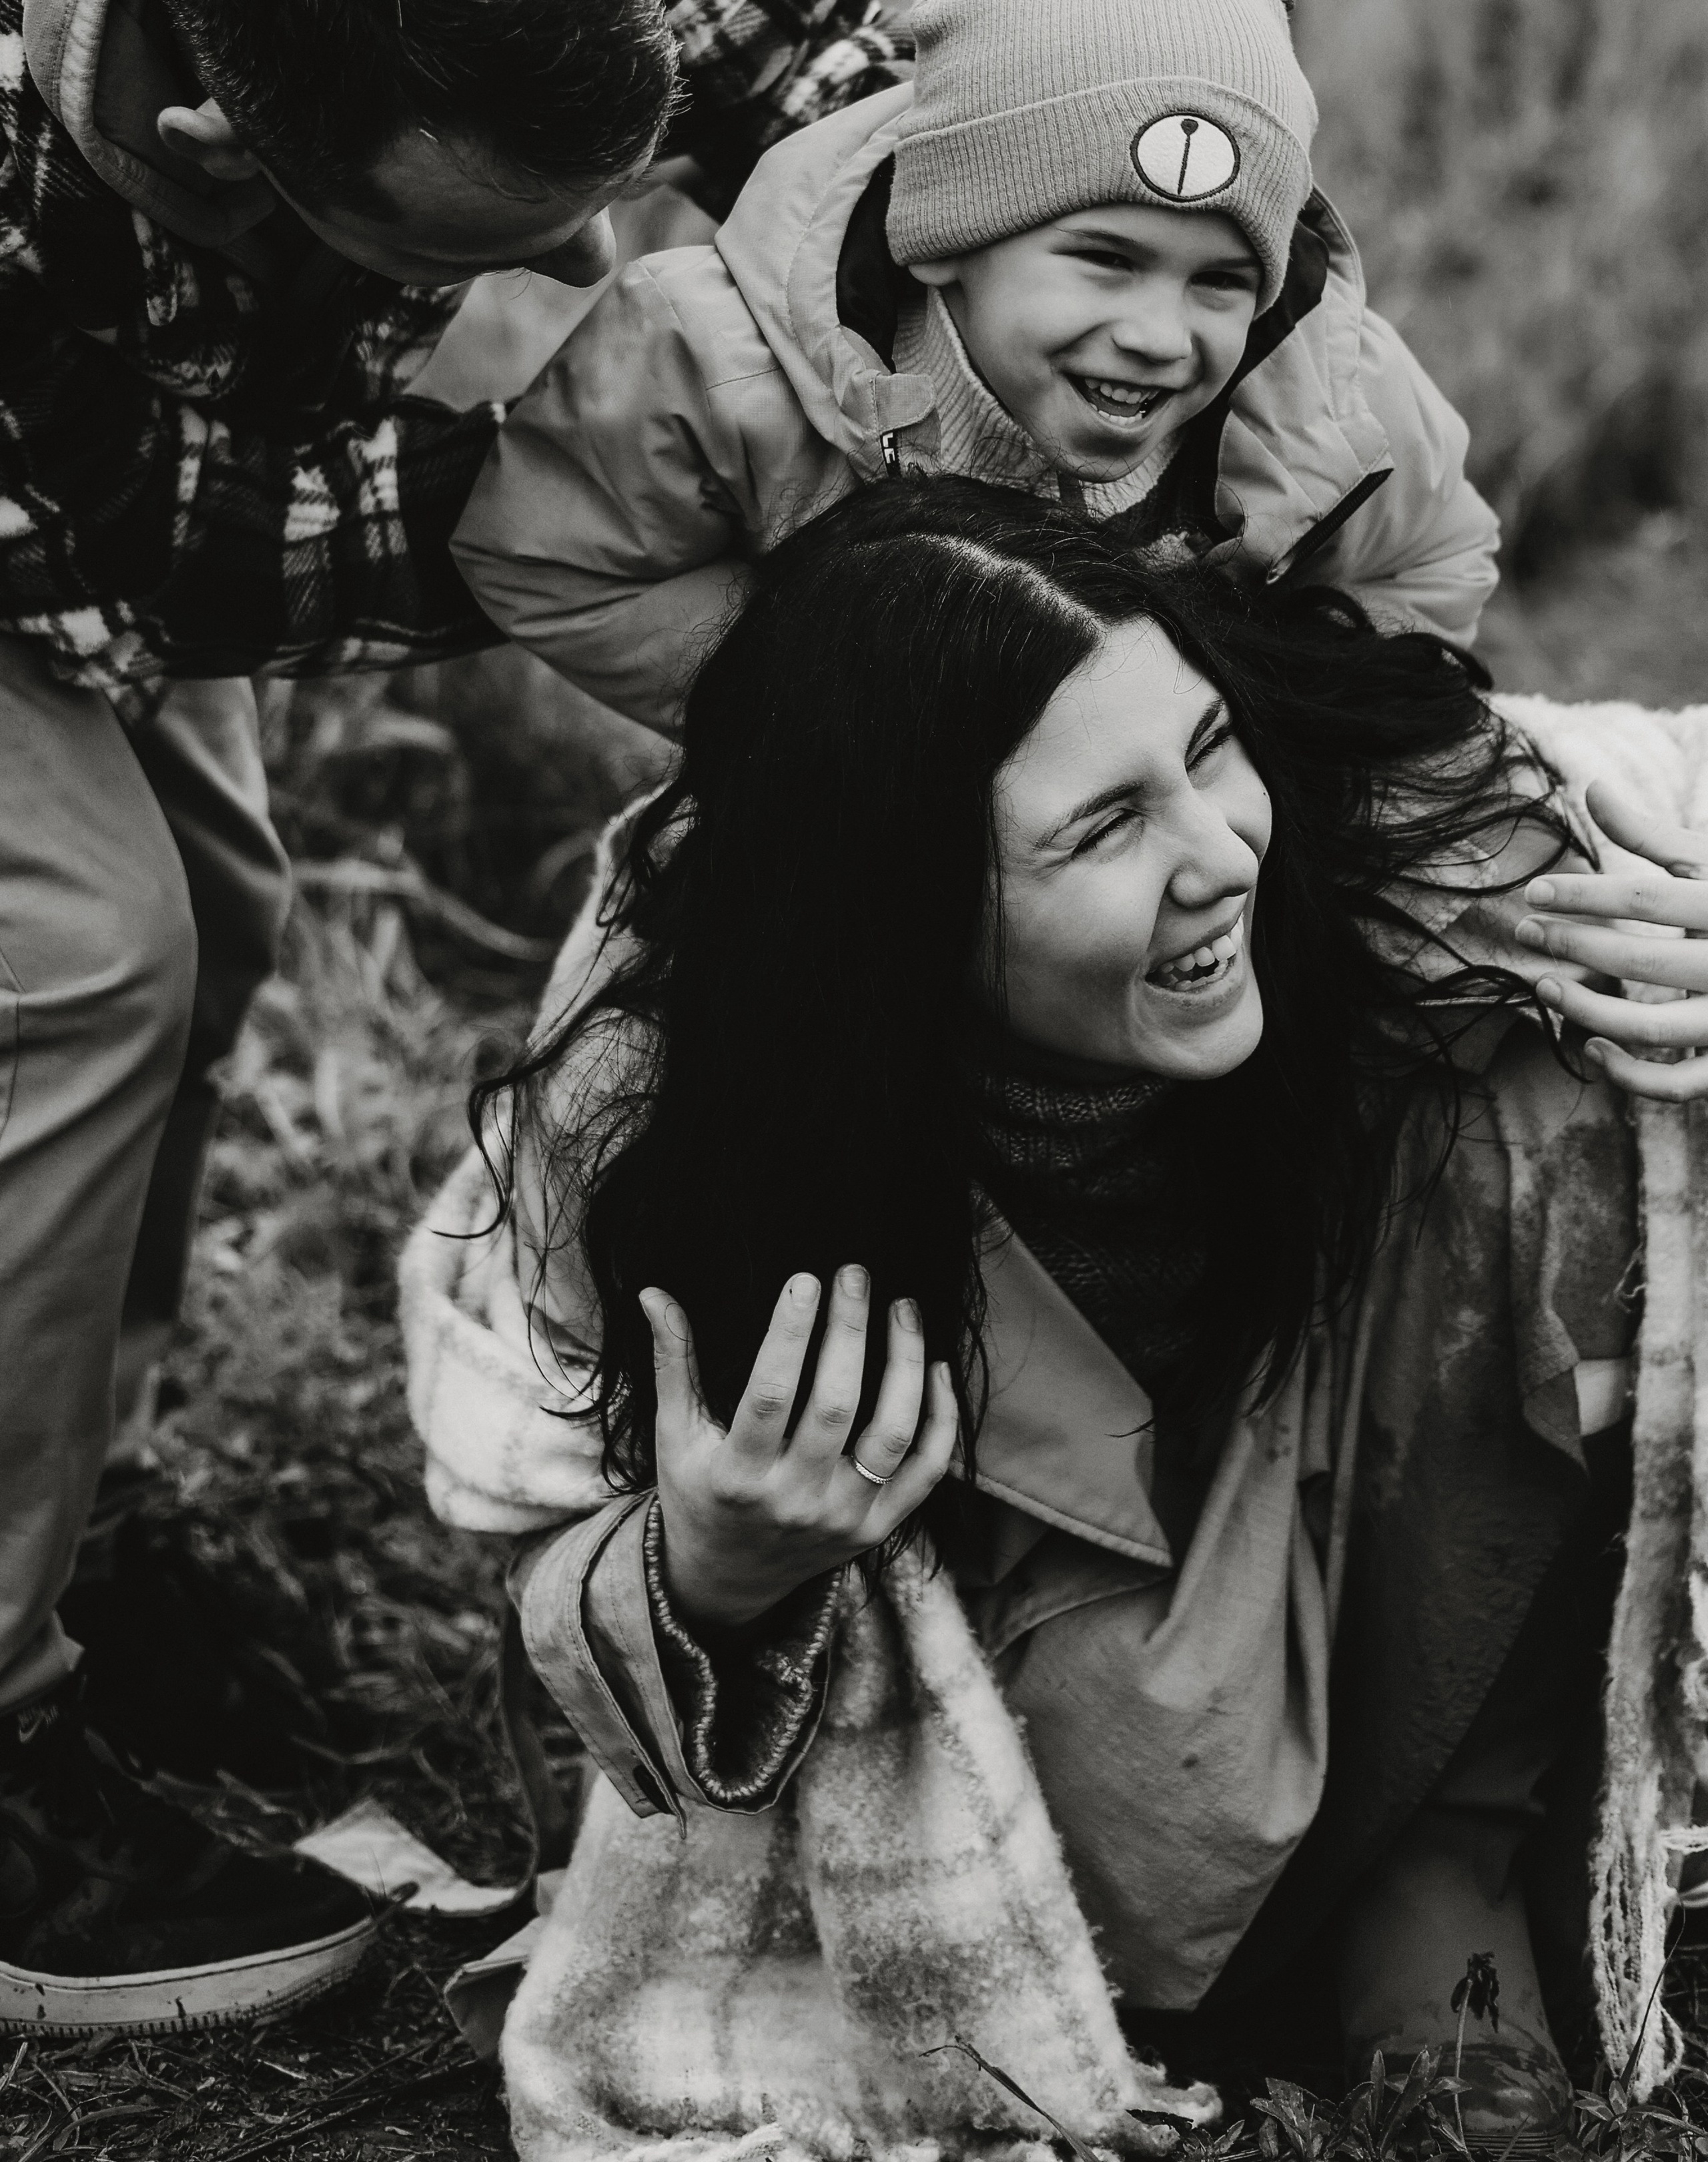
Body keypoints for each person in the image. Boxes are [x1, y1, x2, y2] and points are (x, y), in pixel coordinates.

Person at [0, 0, 908, 2036]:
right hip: (43, 433)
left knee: (213, 903)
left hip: (141, 348)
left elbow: (829, 95)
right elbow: (177, 543)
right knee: (70, 960)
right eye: (490, 254)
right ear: (223, 158)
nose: (595, 272)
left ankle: (72, 1556)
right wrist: (593, 530)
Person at [401, 478, 1699, 2154]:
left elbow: (1636, 783)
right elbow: (533, 1524)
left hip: (1364, 1570)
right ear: (900, 907)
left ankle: (1440, 1855)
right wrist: (716, 1566)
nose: (1219, 853)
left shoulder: (1361, 845)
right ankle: (1127, 2013)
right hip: (1047, 1760)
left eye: (1209, 750)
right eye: (1101, 831)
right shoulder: (662, 1123)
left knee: (1583, 1060)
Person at [452, 0, 1501, 735]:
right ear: (947, 234)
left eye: (1220, 280)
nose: (1156, 335)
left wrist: (1317, 720)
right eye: (1103, 258)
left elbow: (1437, 548)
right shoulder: (719, 354)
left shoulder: (1327, 384)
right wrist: (821, 706)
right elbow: (545, 554)